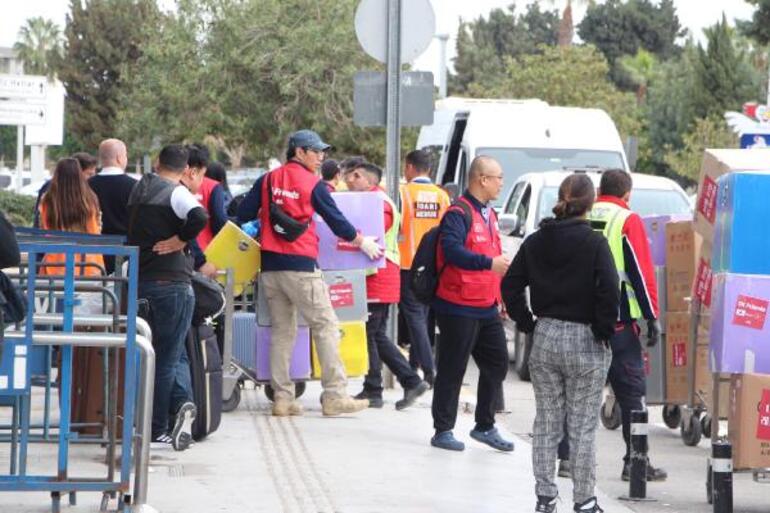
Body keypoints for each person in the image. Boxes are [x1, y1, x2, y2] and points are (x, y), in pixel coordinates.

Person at [237, 129, 381, 417]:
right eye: (316, 152)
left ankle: (282, 398)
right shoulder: (312, 184)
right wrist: (362, 241)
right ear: (299, 152)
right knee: (326, 325)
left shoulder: (268, 180)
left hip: (270, 269)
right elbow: (336, 221)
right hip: (301, 267)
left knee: (282, 332)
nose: (321, 157)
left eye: (322, 152)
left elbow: (244, 212)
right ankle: (335, 395)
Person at [502, 173, 619, 513]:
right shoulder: (595, 243)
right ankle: (584, 500)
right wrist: (603, 329)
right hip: (586, 337)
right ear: (591, 202)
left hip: (547, 334)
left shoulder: (536, 241)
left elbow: (510, 284)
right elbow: (609, 290)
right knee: (582, 426)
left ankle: (545, 496)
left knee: (547, 422)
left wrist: (527, 322)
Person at [128, 144, 208, 451]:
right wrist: (179, 240)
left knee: (158, 354)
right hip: (172, 283)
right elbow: (199, 217)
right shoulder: (176, 192)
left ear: (158, 161)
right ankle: (158, 427)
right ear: (186, 168)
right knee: (167, 358)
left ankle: (181, 405)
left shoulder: (138, 190)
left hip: (142, 281)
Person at [429, 155, 512, 452]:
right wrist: (488, 263)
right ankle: (443, 430)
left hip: (486, 304)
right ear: (482, 179)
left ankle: (485, 426)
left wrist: (500, 295)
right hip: (457, 304)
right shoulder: (458, 212)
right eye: (498, 177)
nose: (502, 183)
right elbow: (451, 251)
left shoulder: (489, 214)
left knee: (498, 363)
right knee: (453, 368)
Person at [588, 169, 666, 482]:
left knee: (577, 395)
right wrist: (651, 316)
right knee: (633, 397)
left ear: (599, 190)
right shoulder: (626, 219)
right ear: (627, 194)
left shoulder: (583, 211)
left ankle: (566, 458)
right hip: (619, 324)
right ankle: (635, 464)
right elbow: (639, 271)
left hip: (584, 320)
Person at [344, 162, 429, 409]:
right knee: (375, 333)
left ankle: (379, 388)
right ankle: (401, 383)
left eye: (352, 177)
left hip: (378, 276)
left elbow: (371, 235)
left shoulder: (377, 203)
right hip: (379, 275)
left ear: (362, 177)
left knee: (370, 334)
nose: (349, 183)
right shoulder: (374, 200)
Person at [398, 149, 450, 386]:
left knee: (414, 317)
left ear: (410, 167)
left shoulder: (403, 193)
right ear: (428, 169)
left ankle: (429, 370)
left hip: (408, 263)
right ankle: (414, 366)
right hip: (434, 266)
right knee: (423, 316)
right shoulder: (443, 197)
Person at [38, 158, 104, 277]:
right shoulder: (90, 199)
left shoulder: (48, 200)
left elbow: (43, 229)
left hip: (55, 264)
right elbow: (96, 229)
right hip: (89, 264)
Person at [88, 139, 139, 274]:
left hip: (92, 252)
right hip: (126, 252)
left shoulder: (86, 186)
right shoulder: (135, 186)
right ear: (119, 158)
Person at [33, 152, 99, 228]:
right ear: (77, 172)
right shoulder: (50, 188)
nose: (92, 178)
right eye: (89, 174)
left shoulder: (87, 191)